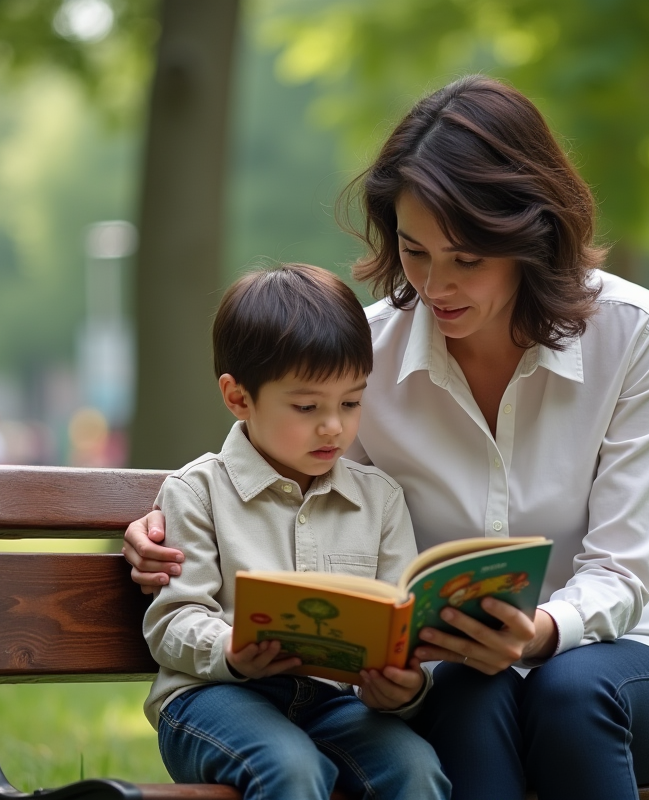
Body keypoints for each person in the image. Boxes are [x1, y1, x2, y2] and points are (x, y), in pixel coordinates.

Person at [125, 76, 649, 800]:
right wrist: (153, 528)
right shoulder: (364, 355)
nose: (435, 286)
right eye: (414, 250)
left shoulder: (637, 331)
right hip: (453, 675)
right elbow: (266, 469)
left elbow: (622, 566)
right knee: (468, 696)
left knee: (566, 693)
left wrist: (540, 633)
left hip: (620, 662)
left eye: (467, 258)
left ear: (532, 235)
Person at [142, 263, 449, 800]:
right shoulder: (197, 492)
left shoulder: (379, 499)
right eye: (307, 407)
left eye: (351, 403)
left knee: (415, 767)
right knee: (289, 767)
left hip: (334, 703)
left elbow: (403, 623)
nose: (334, 426)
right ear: (238, 398)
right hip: (212, 698)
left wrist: (404, 686)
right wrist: (231, 649)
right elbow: (172, 622)